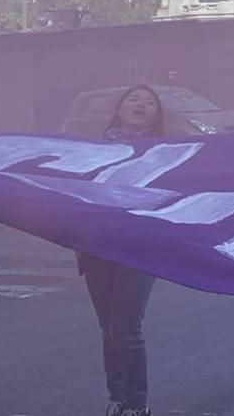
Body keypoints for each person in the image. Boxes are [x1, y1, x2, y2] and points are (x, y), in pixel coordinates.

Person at [79, 85, 164, 416]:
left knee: (127, 330)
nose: (141, 105)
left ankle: (137, 404)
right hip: (97, 247)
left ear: (157, 115)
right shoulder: (93, 149)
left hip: (140, 248)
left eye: (149, 102)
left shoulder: (169, 150)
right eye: (134, 99)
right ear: (119, 109)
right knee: (109, 330)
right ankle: (117, 398)